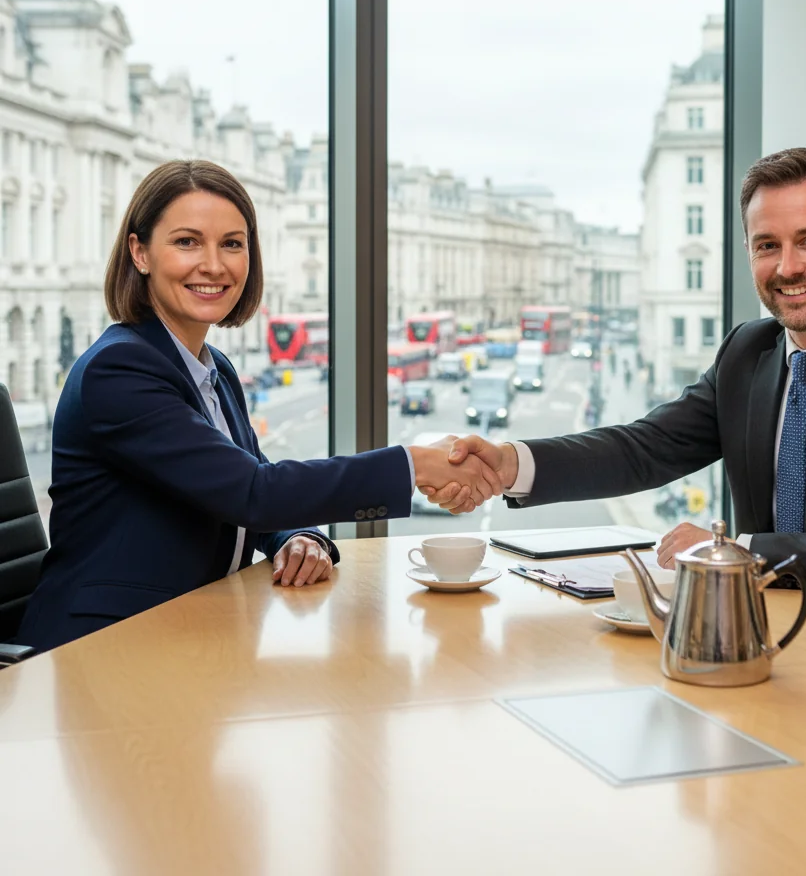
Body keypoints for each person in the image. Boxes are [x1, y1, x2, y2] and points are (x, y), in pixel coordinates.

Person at [425, 147, 806, 600]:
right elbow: (644, 448)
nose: (788, 267)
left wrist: (737, 552)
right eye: (768, 246)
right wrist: (507, 465)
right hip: (779, 629)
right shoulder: (749, 350)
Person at [17, 160, 499, 652]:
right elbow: (254, 492)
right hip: (101, 649)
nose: (214, 264)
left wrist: (293, 537)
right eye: (187, 242)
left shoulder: (215, 368)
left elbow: (244, 477)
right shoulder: (118, 370)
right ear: (139, 253)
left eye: (232, 243)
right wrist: (413, 464)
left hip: (194, 632)